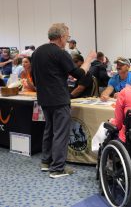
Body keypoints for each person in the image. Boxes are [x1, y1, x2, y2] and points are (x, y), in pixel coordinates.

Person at [31, 23, 96, 178]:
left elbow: (34, 78)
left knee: (49, 130)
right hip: (59, 98)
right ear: (60, 37)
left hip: (44, 98)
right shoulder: (61, 53)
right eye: (67, 37)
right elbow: (80, 74)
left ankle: (46, 162)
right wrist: (89, 59)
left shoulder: (37, 52)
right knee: (61, 133)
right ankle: (57, 168)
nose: (67, 40)